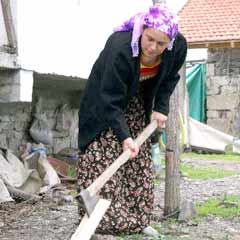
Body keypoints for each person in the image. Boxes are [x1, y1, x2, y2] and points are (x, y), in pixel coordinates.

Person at [76, 4, 187, 237]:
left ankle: (138, 219)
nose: (153, 47)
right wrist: (124, 136)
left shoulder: (178, 47)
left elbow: (169, 79)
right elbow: (109, 98)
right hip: (104, 103)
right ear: (142, 29)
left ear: (170, 42)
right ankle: (103, 220)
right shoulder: (120, 47)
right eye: (150, 39)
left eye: (161, 43)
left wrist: (161, 108)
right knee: (103, 154)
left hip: (138, 101)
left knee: (139, 158)